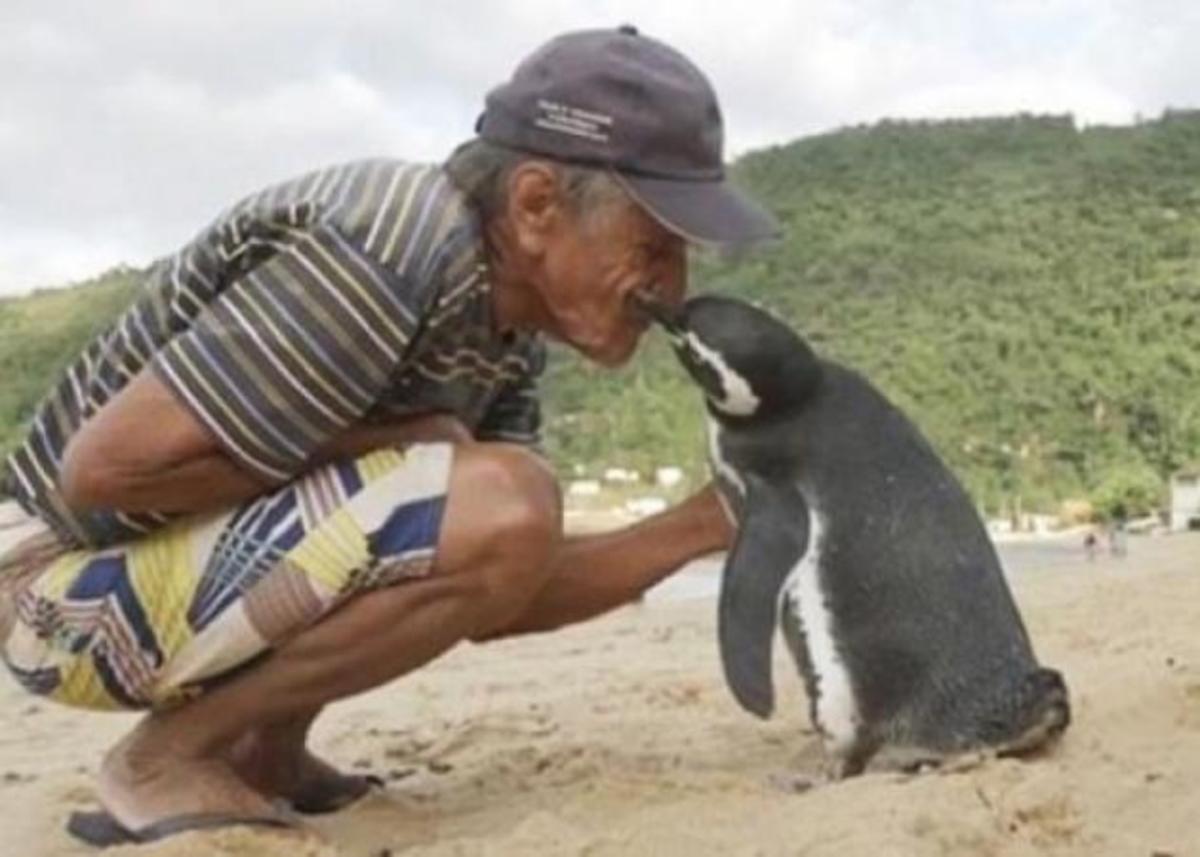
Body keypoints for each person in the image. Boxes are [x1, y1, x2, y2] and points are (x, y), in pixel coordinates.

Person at [0, 25, 778, 845]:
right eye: (653, 244)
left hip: (139, 577)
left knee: (499, 497)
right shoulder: (388, 242)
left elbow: (497, 582)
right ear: (537, 204)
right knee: (496, 489)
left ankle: (266, 749)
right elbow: (101, 474)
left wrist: (706, 522)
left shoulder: (498, 336)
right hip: (48, 585)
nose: (674, 285)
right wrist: (406, 443)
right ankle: (165, 759)